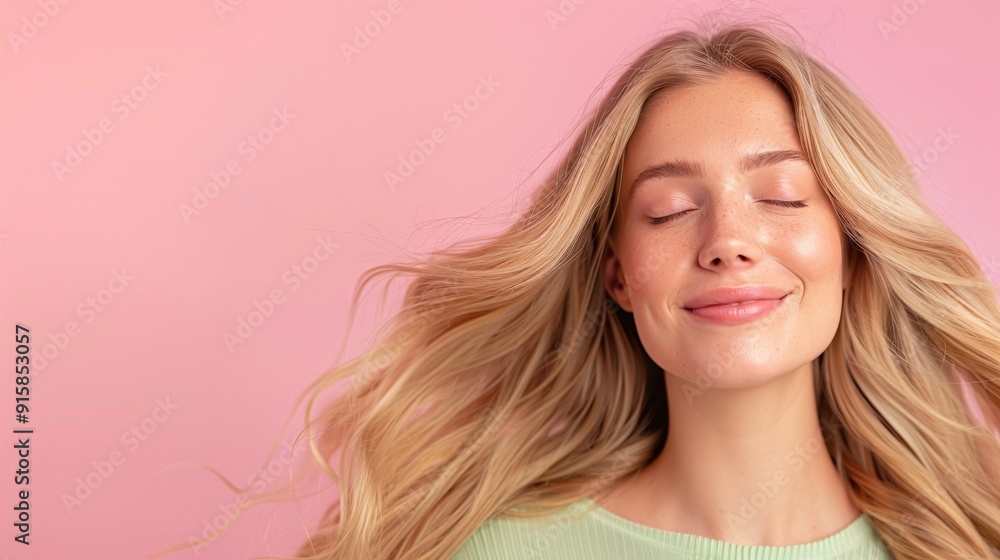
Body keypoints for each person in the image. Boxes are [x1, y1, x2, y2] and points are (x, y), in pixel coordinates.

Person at [176, 19, 1000, 560]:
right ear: (616, 274)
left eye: (783, 197)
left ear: (854, 242)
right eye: (671, 211)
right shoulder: (490, 550)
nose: (728, 243)